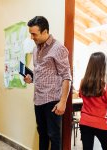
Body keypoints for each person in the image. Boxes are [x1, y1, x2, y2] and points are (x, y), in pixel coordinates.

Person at [24, 16, 72, 150]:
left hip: (52, 101)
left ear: (45, 32)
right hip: (38, 100)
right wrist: (31, 79)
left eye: (34, 34)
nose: (32, 37)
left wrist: (63, 102)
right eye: (30, 34)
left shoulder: (58, 48)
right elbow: (41, 73)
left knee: (54, 136)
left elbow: (66, 76)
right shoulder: (35, 49)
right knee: (42, 134)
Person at [79, 52, 107, 150]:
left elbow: (81, 95)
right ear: (104, 66)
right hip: (100, 123)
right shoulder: (104, 85)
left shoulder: (83, 81)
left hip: (85, 121)